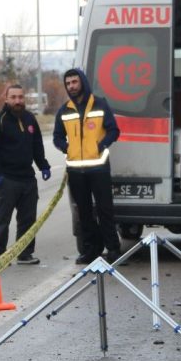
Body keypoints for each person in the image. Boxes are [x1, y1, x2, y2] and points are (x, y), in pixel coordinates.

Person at [53, 69, 121, 264]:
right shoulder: (64, 110)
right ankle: (92, 250)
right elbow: (57, 136)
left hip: (98, 168)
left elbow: (114, 130)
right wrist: (67, 148)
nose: (72, 86)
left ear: (82, 81)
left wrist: (100, 146)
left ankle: (113, 249)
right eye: (68, 84)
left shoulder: (99, 104)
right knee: (83, 212)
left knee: (105, 210)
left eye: (75, 82)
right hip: (75, 170)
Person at [0, 84, 51, 265]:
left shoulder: (30, 119)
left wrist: (43, 165)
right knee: (3, 220)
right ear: (6, 99)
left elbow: (37, 145)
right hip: (7, 180)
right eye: (13, 97)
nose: (17, 101)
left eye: (20, 97)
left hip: (28, 180)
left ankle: (25, 254)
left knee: (27, 220)